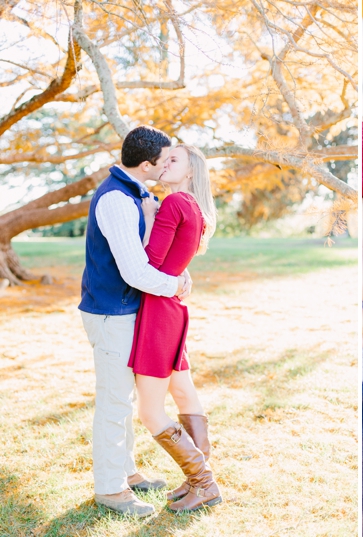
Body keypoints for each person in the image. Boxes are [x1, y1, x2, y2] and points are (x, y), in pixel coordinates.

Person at [79, 125, 190, 517]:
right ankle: (110, 489)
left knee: (122, 398)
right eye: (163, 162)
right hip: (110, 313)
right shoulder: (116, 200)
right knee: (113, 402)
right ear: (146, 164)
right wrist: (174, 285)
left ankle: (125, 472)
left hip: (124, 311)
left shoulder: (135, 193)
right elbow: (134, 271)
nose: (166, 168)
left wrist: (178, 273)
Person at [127, 144, 221, 512]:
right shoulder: (194, 208)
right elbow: (174, 261)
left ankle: (203, 481)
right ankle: (196, 478)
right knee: (182, 393)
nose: (166, 164)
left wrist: (149, 217)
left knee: (150, 412)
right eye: (165, 159)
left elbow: (149, 263)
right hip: (173, 311)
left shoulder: (174, 204)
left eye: (174, 160)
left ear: (191, 172)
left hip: (158, 312)